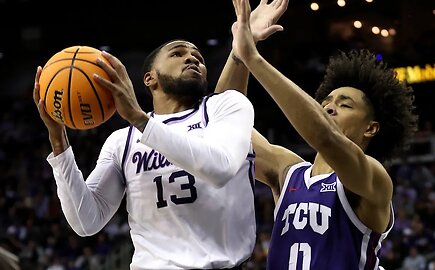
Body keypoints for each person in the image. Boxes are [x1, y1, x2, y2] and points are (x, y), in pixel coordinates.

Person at [32, 1, 288, 269]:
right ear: (149, 79)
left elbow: (220, 168)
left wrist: (140, 120)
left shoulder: (227, 107)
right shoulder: (123, 141)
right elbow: (86, 221)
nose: (192, 58)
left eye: (198, 57)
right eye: (178, 54)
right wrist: (59, 141)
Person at [216, 0, 419, 268]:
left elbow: (325, 136)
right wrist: (238, 54)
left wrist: (253, 58)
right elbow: (223, 125)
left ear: (370, 128)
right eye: (326, 103)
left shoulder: (374, 178)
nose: (329, 107)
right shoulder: (287, 172)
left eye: (344, 104)